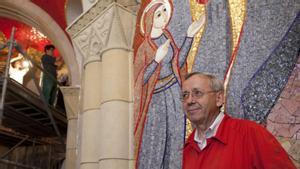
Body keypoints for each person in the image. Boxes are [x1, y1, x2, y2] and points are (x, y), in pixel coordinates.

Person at [133, 0, 206, 168]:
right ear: (150, 18)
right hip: (156, 99)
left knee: (175, 137)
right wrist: (156, 61)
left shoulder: (167, 37)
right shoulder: (145, 47)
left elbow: (177, 63)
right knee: (156, 141)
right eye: (159, 14)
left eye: (165, 11)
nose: (164, 17)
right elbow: (140, 81)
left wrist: (189, 36)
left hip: (173, 92)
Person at [181, 72, 296, 169]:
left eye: (197, 93)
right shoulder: (187, 149)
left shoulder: (250, 133)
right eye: (185, 95)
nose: (190, 100)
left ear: (219, 98)